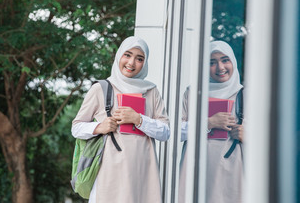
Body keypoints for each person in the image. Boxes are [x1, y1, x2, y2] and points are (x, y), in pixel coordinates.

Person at [72, 36, 170, 203]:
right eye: (127, 55)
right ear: (119, 56)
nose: (131, 63)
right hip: (109, 171)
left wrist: (139, 119)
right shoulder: (101, 88)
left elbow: (165, 132)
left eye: (139, 59)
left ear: (144, 63)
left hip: (143, 170)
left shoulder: (151, 91)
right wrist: (99, 127)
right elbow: (76, 128)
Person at [178, 40, 244, 203]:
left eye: (225, 60)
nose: (220, 67)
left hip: (232, 170)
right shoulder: (193, 94)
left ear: (233, 62)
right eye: (212, 62)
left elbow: (269, 138)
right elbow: (176, 131)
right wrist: (207, 123)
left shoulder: (244, 94)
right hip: (196, 168)